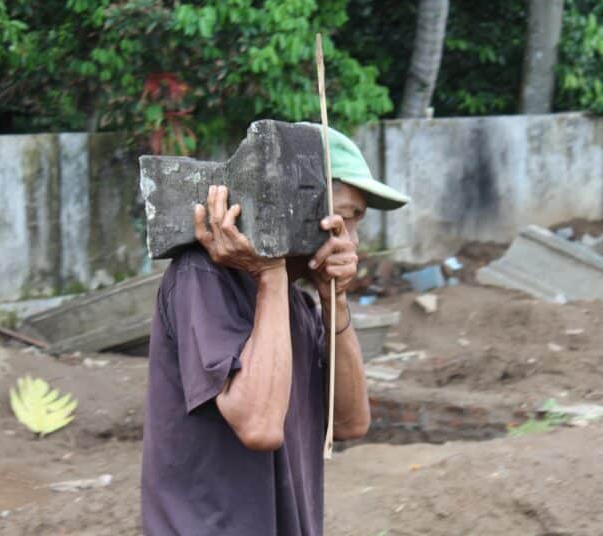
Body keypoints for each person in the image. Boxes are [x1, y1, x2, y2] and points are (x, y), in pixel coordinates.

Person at [141, 124, 409, 535]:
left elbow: (350, 423)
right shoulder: (203, 278)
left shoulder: (297, 303)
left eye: (356, 222)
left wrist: (333, 300)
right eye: (342, 218)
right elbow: (259, 427)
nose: (350, 241)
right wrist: (269, 272)